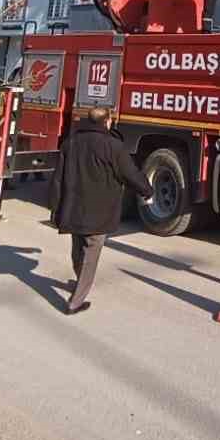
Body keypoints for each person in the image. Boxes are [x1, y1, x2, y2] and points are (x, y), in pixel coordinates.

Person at [48, 106, 154, 314]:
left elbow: (57, 178)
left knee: (78, 248)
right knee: (91, 255)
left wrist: (55, 206)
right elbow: (130, 173)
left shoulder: (71, 143)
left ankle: (79, 282)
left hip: (73, 207)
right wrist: (147, 190)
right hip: (99, 210)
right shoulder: (113, 146)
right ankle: (75, 302)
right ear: (107, 121)